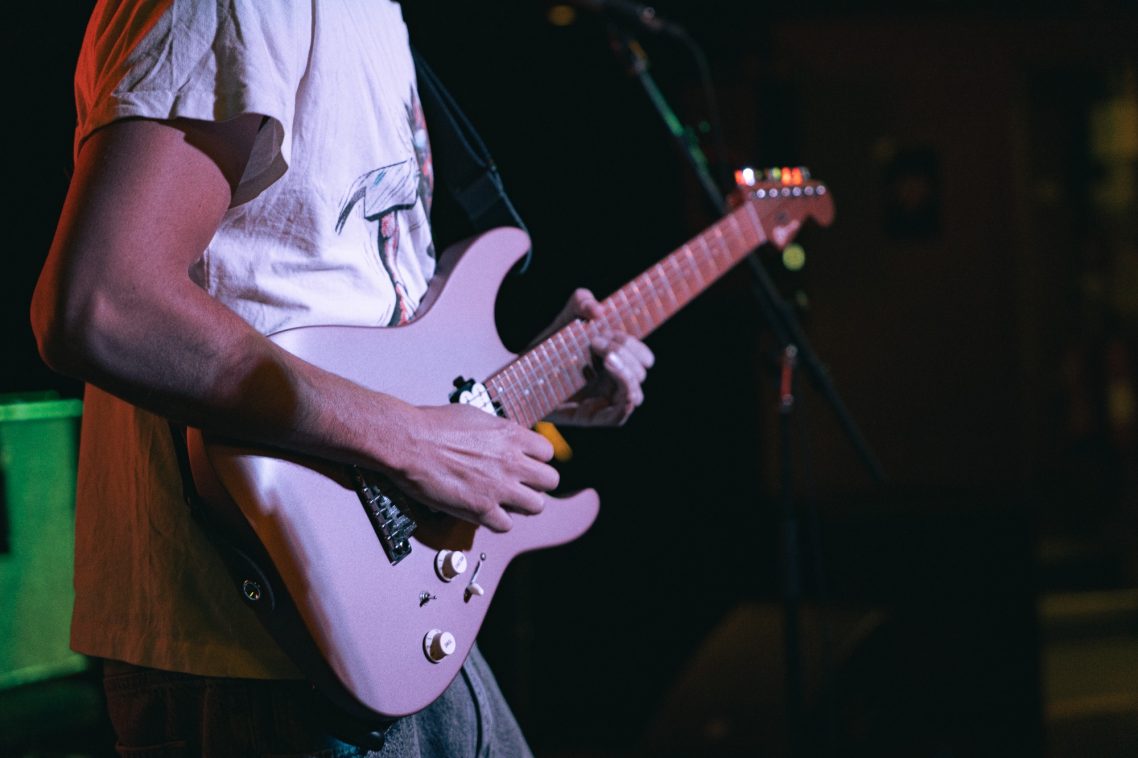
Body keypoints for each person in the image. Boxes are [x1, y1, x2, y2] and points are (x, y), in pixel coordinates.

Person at [30, 1, 654, 755]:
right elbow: (103, 304)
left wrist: (522, 386)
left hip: (391, 614)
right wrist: (414, 444)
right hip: (254, 647)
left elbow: (340, 297)